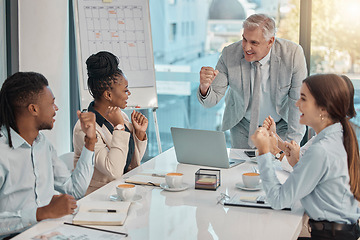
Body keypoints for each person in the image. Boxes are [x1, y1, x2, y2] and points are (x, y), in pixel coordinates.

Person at [251, 74, 360, 239]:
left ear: (323, 108)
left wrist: (264, 151)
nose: (296, 104)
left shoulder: (322, 149)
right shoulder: (338, 136)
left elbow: (278, 200)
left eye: (303, 99)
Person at [0, 72, 96, 238]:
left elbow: (75, 190)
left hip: (49, 232)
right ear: (34, 109)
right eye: (52, 103)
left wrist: (90, 141)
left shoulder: (42, 144)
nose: (56, 108)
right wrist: (41, 213)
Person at [197, 13, 307, 148]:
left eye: (254, 43)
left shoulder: (293, 54)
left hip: (280, 127)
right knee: (242, 168)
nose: (246, 47)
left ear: (270, 41)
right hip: (243, 127)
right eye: (244, 39)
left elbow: (298, 103)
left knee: (278, 168)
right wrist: (204, 87)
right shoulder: (229, 54)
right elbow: (210, 101)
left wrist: (292, 145)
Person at [73, 51, 148, 195]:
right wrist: (119, 127)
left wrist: (139, 134)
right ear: (108, 95)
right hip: (98, 198)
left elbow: (129, 161)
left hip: (121, 192)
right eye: (125, 90)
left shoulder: (120, 116)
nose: (129, 94)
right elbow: (113, 170)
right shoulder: (84, 129)